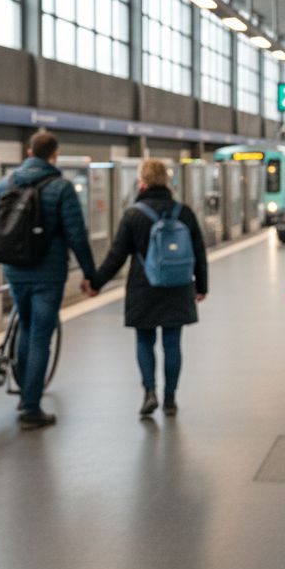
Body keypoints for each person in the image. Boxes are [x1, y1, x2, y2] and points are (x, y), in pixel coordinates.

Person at [0, 130, 96, 430]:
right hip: (49, 274)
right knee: (40, 335)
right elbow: (77, 237)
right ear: (54, 155)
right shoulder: (61, 188)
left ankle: (25, 393)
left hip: (16, 272)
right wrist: (91, 275)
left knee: (26, 328)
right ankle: (30, 407)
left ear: (29, 152)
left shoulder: (6, 183)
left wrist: (6, 251)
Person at [88, 159, 208, 417]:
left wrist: (96, 283)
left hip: (144, 287)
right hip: (178, 285)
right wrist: (202, 285)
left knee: (145, 341)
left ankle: (149, 392)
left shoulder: (133, 214)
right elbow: (199, 251)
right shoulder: (183, 212)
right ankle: (170, 399)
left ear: (141, 182)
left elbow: (116, 256)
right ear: (166, 180)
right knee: (172, 342)